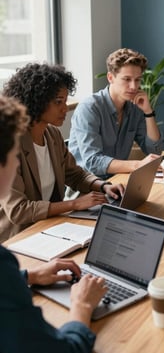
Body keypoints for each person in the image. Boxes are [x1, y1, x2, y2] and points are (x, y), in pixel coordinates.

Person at [0, 94, 108, 353]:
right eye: (13, 155)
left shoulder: (53, 136)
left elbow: (75, 172)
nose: (16, 164)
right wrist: (82, 306)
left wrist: (29, 276)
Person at [0, 63, 124, 242]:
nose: (65, 108)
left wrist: (102, 186)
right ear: (37, 100)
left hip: (49, 228)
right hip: (18, 237)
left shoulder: (52, 135)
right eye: (58, 102)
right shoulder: (9, 145)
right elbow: (19, 210)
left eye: (65, 101)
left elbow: (74, 174)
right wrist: (73, 204)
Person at [68, 48, 163, 178]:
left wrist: (148, 112)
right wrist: (137, 165)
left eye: (137, 80)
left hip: (117, 182)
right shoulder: (90, 108)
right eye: (127, 79)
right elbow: (93, 162)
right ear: (110, 77)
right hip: (87, 188)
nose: (134, 86)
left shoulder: (135, 108)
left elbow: (154, 151)